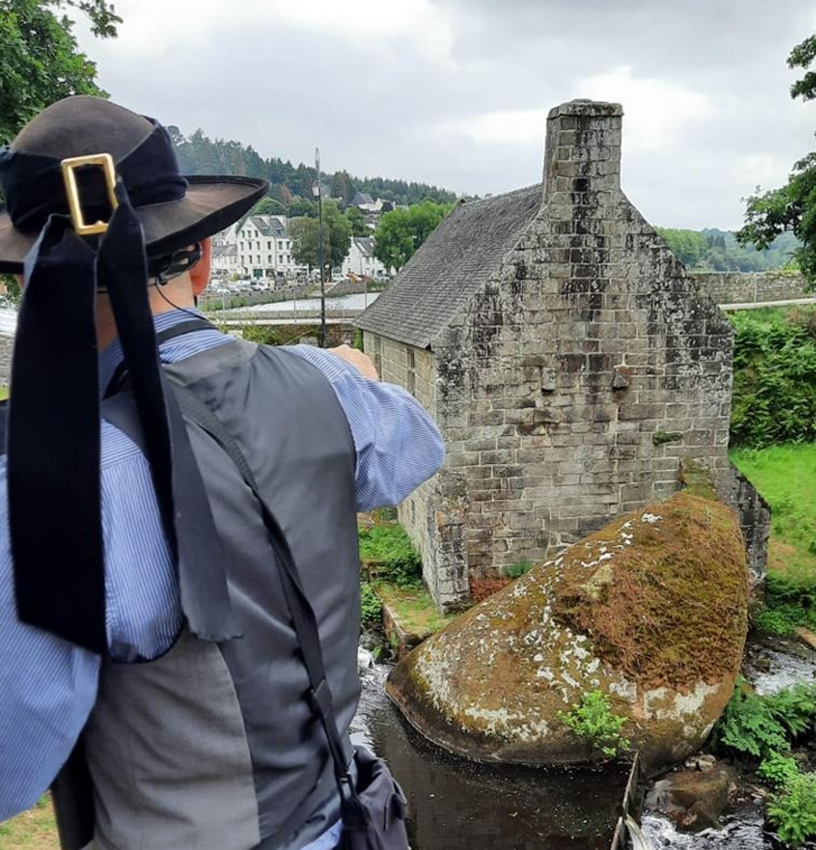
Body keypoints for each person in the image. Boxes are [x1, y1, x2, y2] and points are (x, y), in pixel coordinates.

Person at [0, 96, 444, 850]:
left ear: (29, 284)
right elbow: (416, 443)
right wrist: (343, 373)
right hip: (350, 827)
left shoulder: (51, 479)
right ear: (202, 259)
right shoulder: (324, 387)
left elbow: (13, 767)